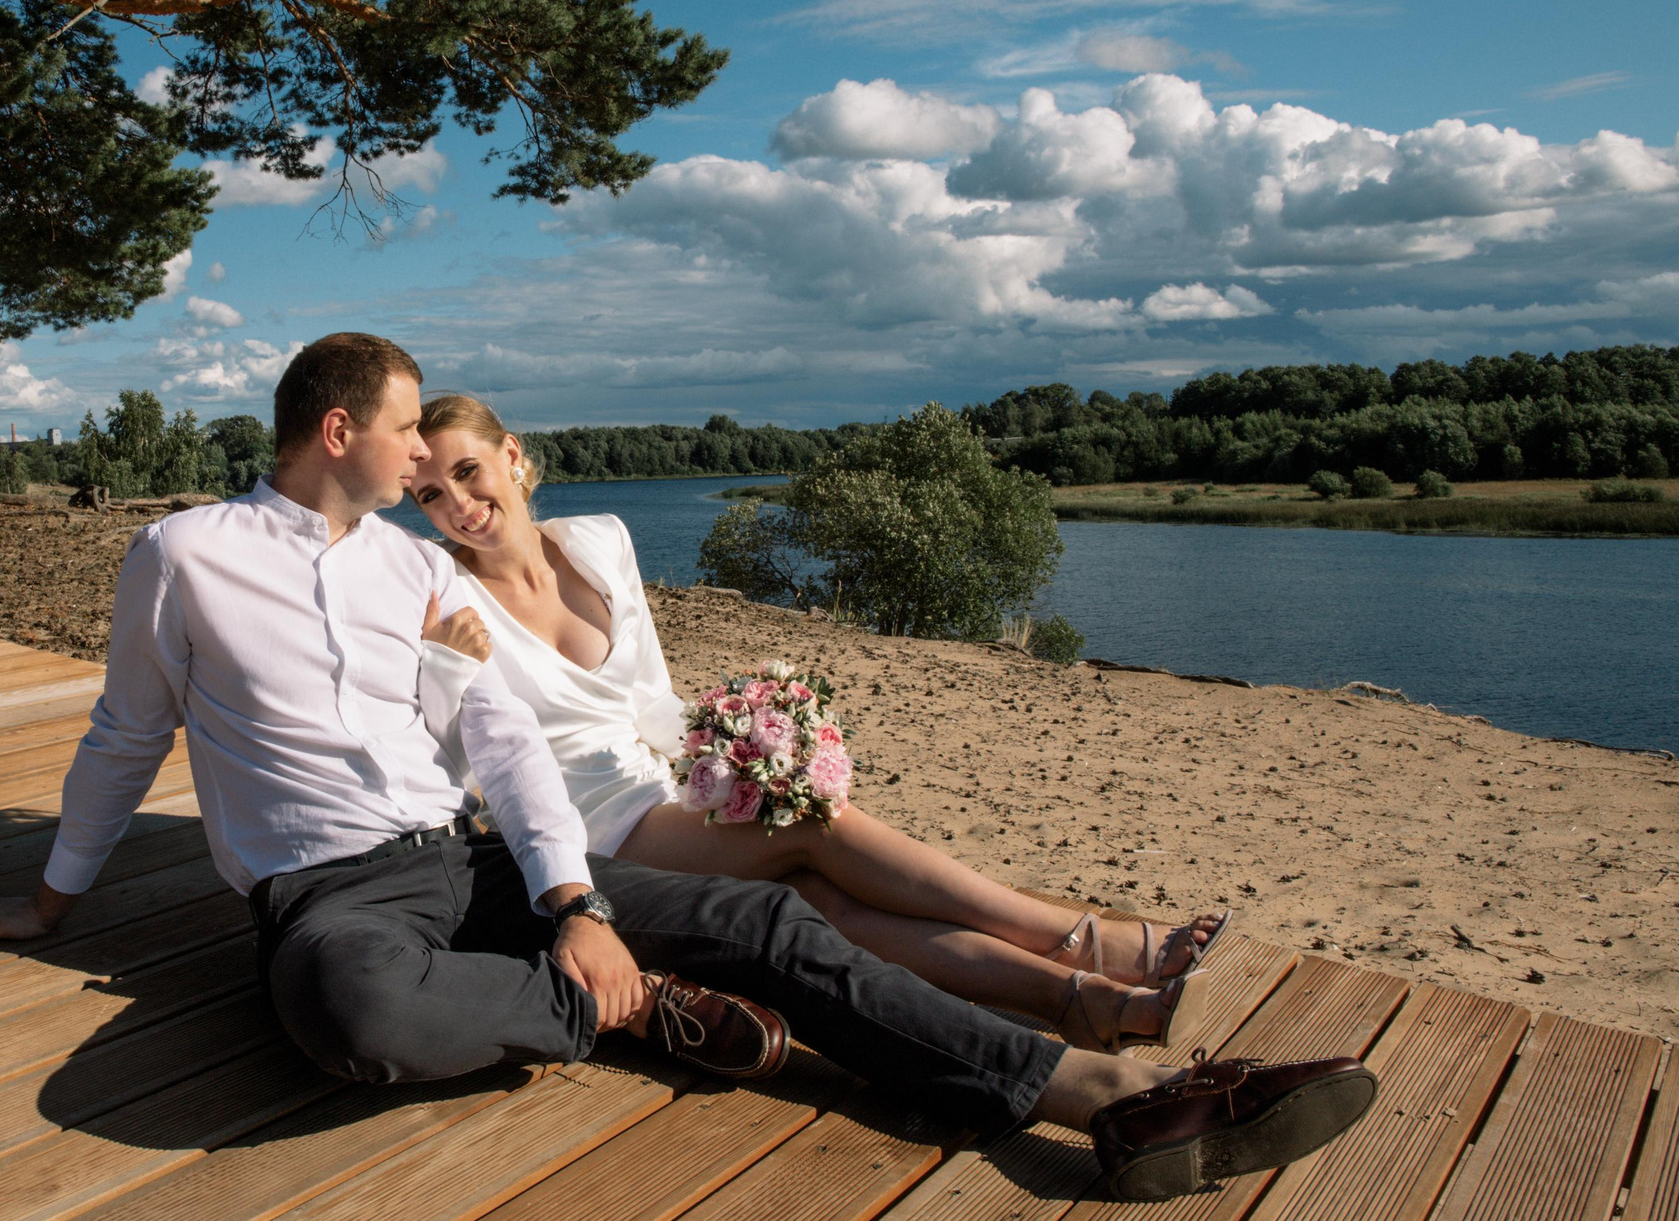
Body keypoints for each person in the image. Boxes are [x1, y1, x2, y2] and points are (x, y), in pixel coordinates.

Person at [0, 333, 1374, 1202]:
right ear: (341, 431)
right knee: (347, 1001)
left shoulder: (411, 572)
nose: (424, 456)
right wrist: (57, 901)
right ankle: (627, 1014)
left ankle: (1109, 1096)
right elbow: (127, 729)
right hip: (328, 894)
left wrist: (571, 894)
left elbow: (496, 731)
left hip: (471, 855)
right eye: (405, 427)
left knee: (773, 919)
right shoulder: (183, 555)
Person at [406, 393, 1219, 1055]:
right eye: (430, 495)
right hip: (591, 831)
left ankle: (1071, 998)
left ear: (514, 455)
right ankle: (1092, 942)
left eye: (468, 472)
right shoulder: (443, 594)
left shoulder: (599, 540)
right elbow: (452, 748)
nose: (459, 506)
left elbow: (653, 699)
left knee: (816, 893)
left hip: (659, 792)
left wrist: (740, 753)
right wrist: (442, 663)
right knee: (813, 824)